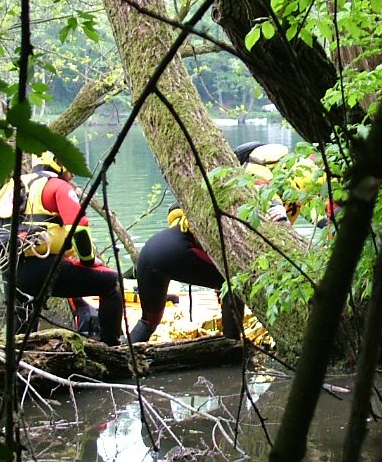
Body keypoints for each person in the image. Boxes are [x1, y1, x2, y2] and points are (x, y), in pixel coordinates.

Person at [127, 143, 303, 344]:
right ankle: (232, 344)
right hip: (172, 253)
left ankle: (118, 353)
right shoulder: (248, 190)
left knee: (148, 323)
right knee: (235, 281)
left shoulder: (224, 189)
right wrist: (281, 219)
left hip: (152, 254)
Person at [0, 150, 125, 344]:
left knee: (22, 323)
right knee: (111, 283)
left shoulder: (12, 186)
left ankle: (21, 359)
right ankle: (112, 347)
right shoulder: (58, 187)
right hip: (42, 268)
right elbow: (79, 229)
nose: (73, 172)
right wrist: (90, 260)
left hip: (10, 270)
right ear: (56, 163)